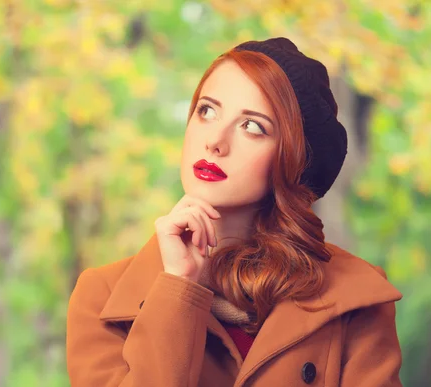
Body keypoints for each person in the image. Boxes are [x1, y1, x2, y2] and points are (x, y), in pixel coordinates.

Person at [66, 37, 403, 387]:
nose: (216, 141)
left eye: (253, 126)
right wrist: (178, 287)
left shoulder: (354, 299)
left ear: (293, 161)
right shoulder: (101, 297)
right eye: (207, 111)